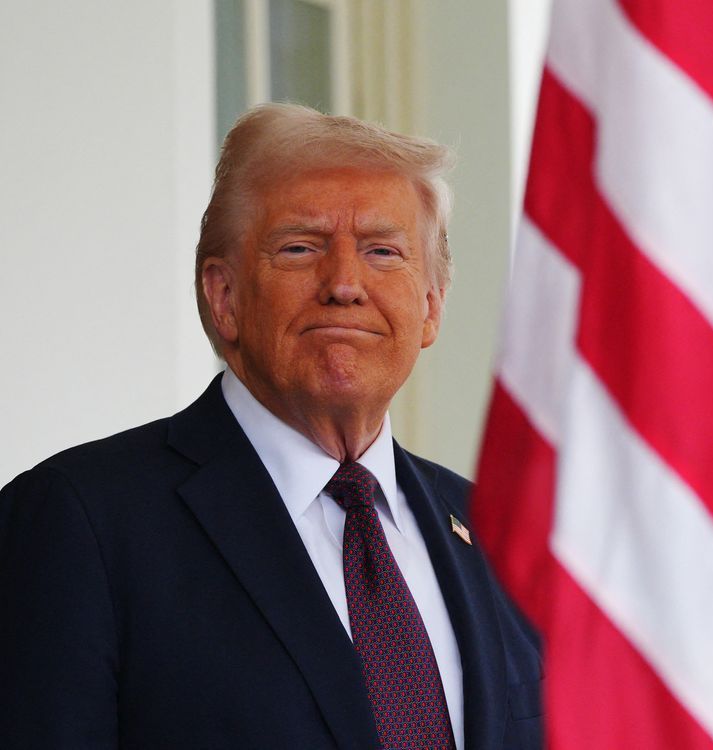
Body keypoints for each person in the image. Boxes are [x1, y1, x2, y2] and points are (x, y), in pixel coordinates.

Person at [0, 104, 542, 749]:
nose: (344, 284)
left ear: (430, 307)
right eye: (299, 248)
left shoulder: (499, 532)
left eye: (382, 251)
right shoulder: (80, 519)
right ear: (224, 297)